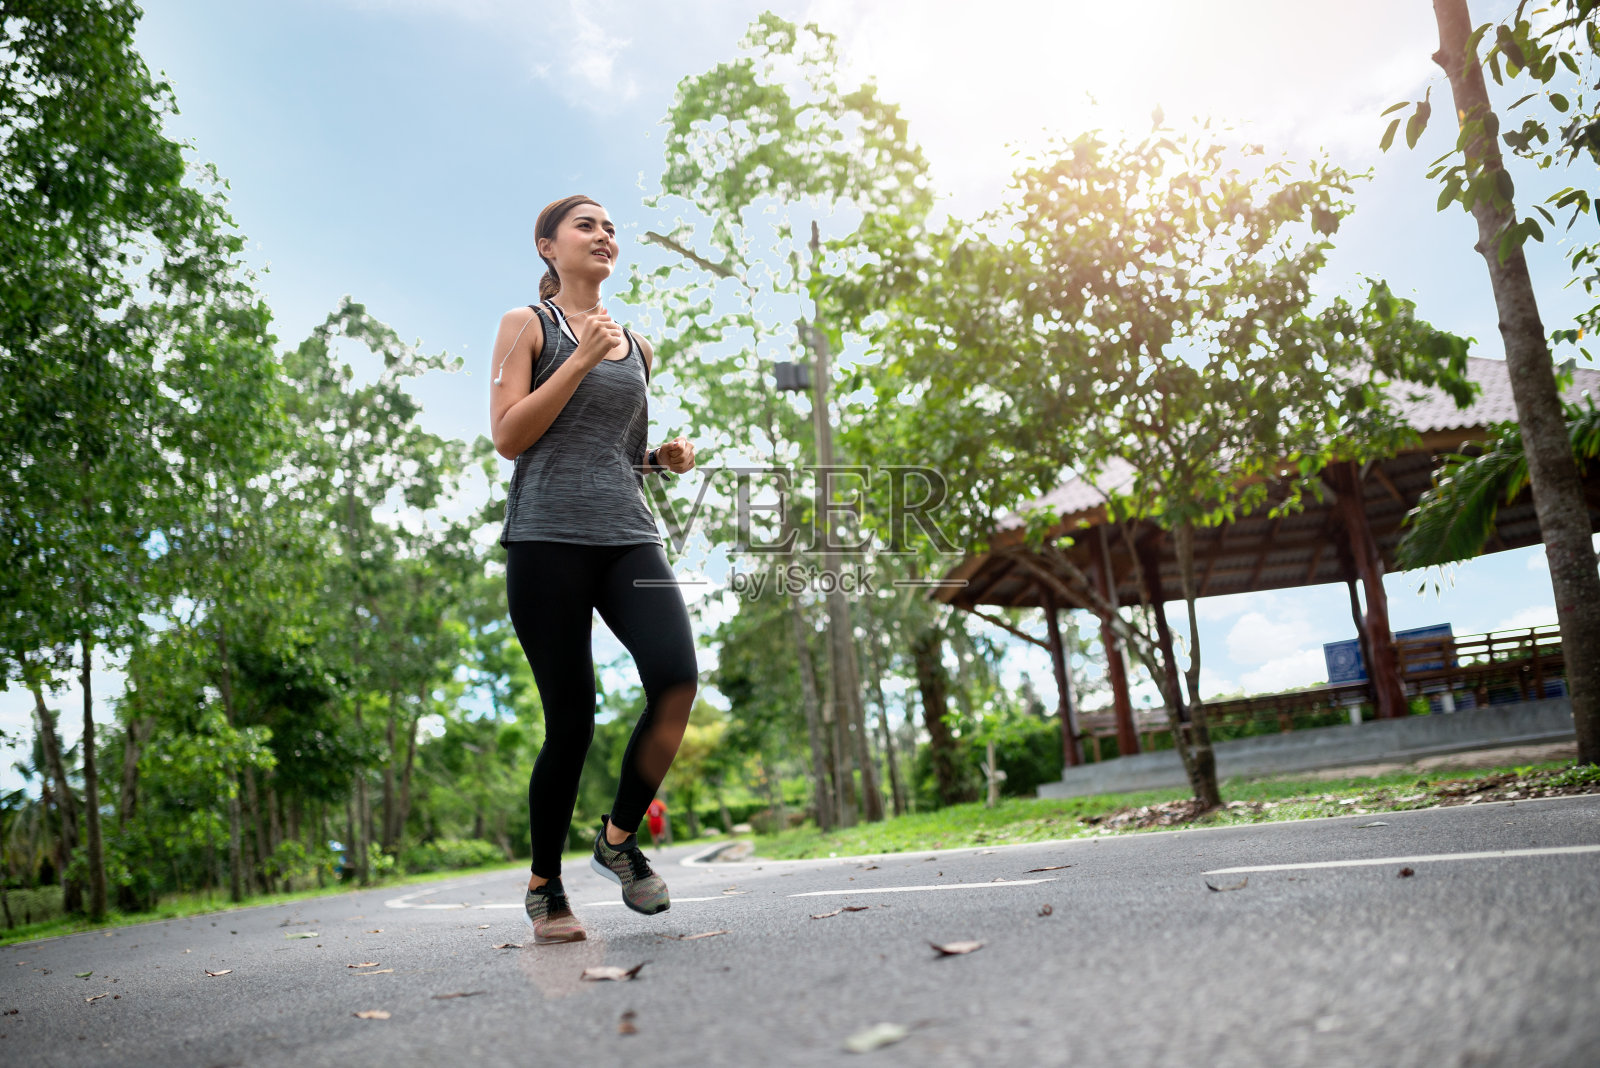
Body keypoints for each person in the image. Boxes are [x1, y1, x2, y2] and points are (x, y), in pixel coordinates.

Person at [488, 194, 699, 944]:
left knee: (676, 679)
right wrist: (577, 358)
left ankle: (616, 837)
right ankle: (545, 887)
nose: (605, 235)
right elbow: (511, 437)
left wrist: (659, 458)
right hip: (545, 539)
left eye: (611, 227)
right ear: (549, 246)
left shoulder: (638, 346)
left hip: (626, 534)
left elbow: (609, 451)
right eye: (587, 225)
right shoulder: (527, 326)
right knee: (571, 720)